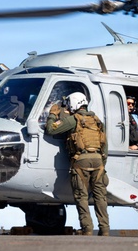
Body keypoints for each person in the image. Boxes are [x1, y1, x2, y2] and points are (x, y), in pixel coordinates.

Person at [46, 92, 110, 236]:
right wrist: (102, 164)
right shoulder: (97, 121)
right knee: (100, 197)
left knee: (82, 196)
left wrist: (53, 115)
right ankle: (105, 229)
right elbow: (104, 146)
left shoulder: (73, 120)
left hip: (81, 160)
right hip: (98, 161)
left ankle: (87, 229)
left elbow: (51, 129)